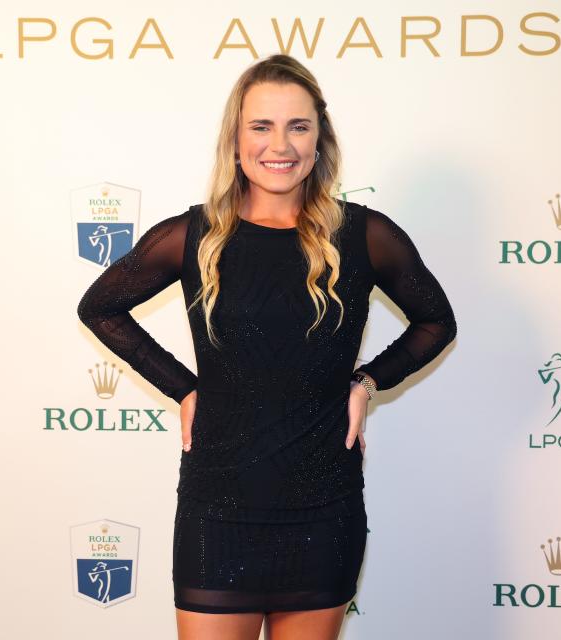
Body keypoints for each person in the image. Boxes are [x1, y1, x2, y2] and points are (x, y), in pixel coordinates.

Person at [77, 53, 457, 640]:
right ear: (235, 140)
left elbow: (436, 320)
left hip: (321, 507)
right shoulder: (193, 234)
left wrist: (367, 381)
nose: (279, 144)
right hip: (218, 508)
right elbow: (99, 307)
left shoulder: (363, 235)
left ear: (319, 139)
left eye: (297, 126)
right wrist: (183, 387)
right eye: (261, 126)